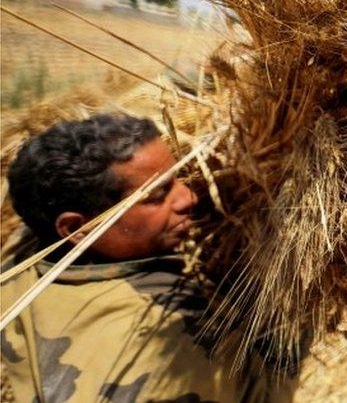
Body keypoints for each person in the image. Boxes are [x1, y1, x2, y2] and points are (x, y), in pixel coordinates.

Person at [0, 113, 289, 402]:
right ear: (78, 228)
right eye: (156, 195)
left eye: (176, 177)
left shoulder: (24, 258)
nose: (188, 197)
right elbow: (262, 389)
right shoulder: (161, 347)